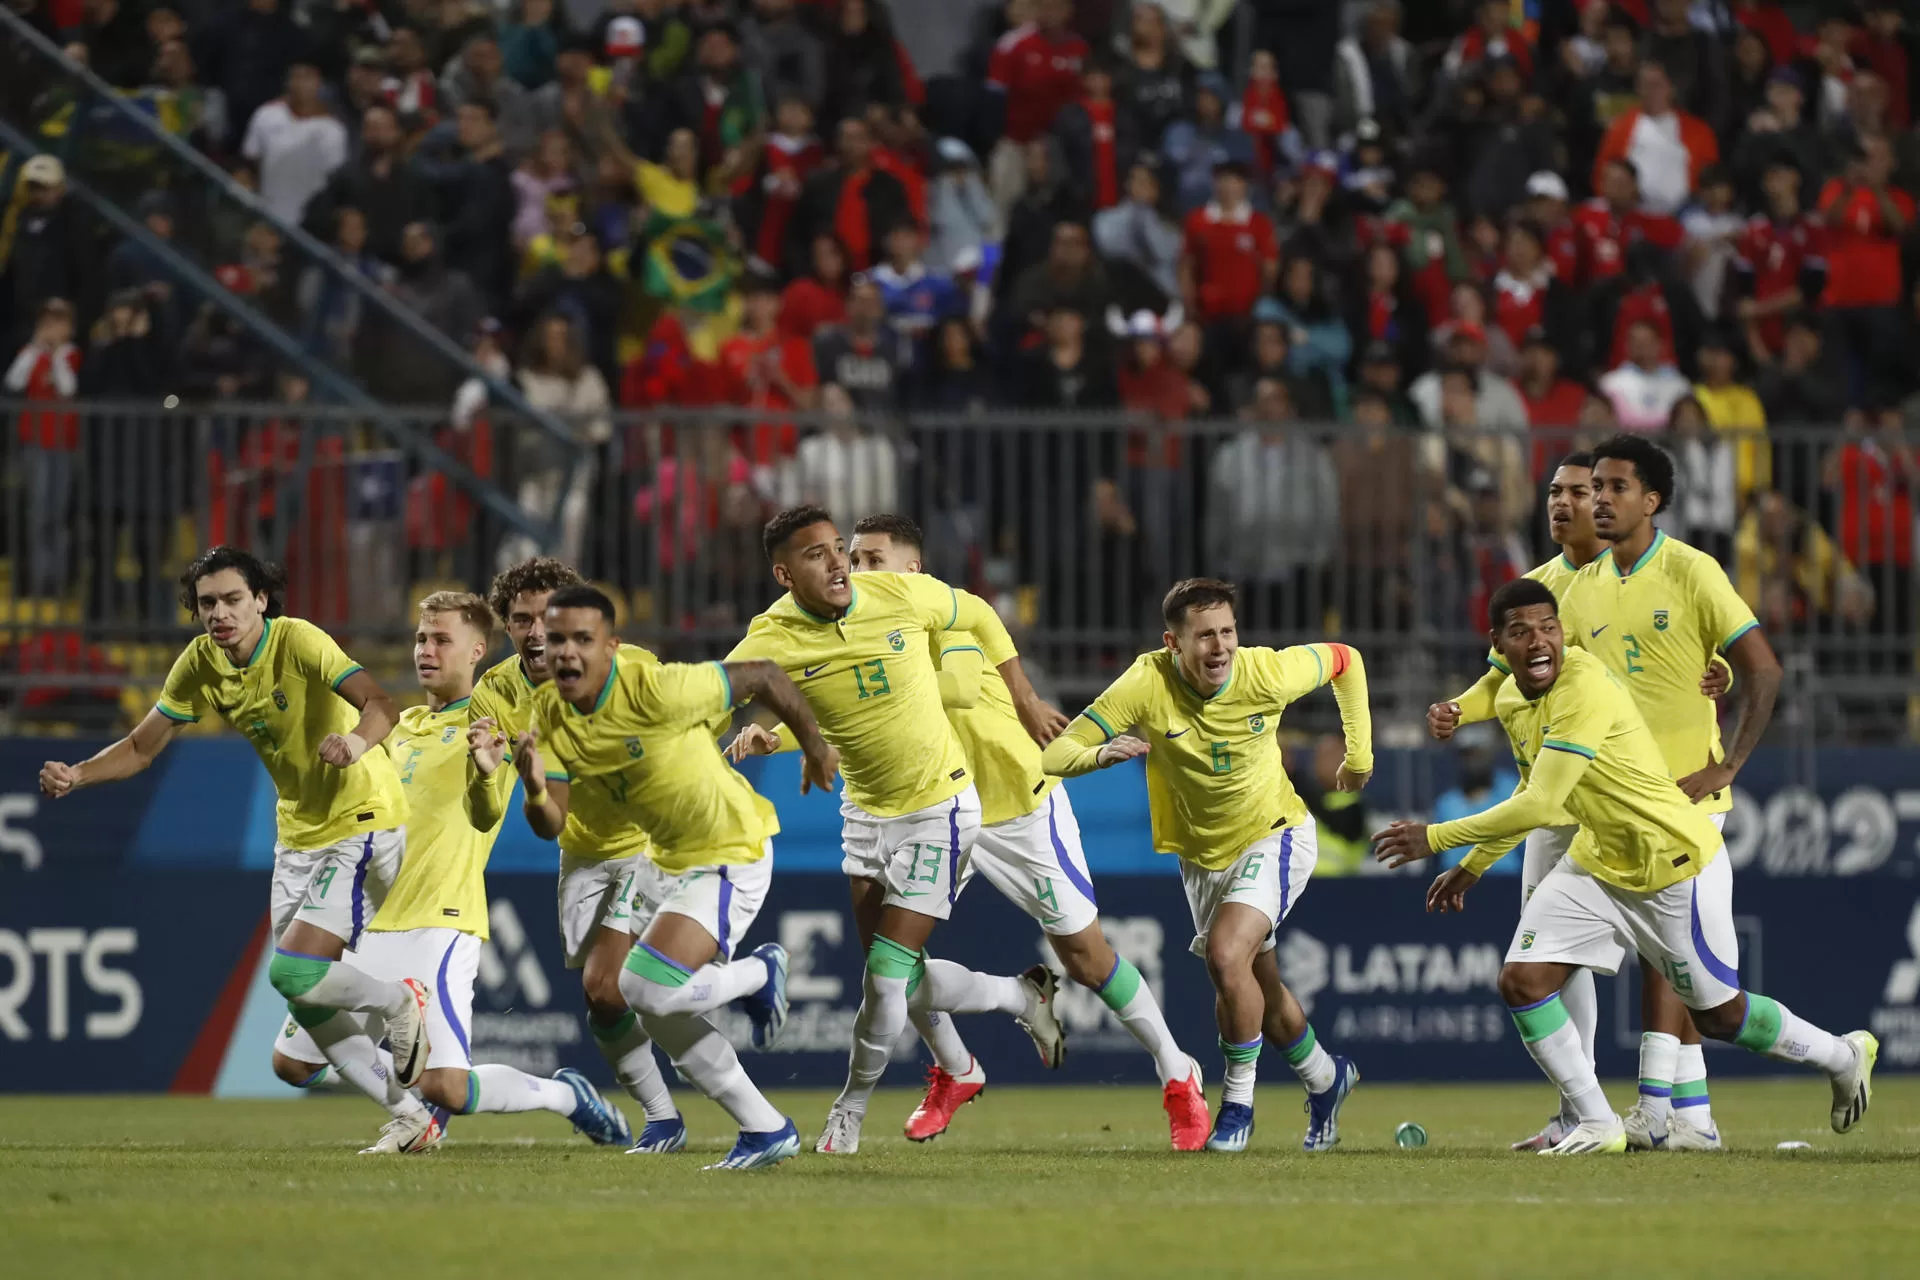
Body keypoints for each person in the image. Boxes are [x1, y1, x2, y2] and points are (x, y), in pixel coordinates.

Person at [1376, 577, 1874, 1156]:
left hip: (1671, 863)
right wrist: (1477, 864)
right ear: (1498, 646)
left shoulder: (1583, 684)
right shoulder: (1512, 700)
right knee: (1522, 980)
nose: (1538, 642)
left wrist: (1434, 839)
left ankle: (1843, 1055)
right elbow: (1538, 792)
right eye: (1520, 632)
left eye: (1548, 627)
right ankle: (1596, 1121)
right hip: (1599, 863)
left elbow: (1538, 804)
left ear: (1562, 633)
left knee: (1722, 1018)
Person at [1432, 434, 1782, 1153]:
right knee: (1552, 946)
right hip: (1572, 794)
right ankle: (1596, 1109)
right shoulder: (1550, 588)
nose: (1576, 503)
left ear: (1631, 500)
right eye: (1563, 493)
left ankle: (1678, 1109)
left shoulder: (1676, 570)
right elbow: (1501, 676)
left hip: (1666, 790)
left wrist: (1721, 718)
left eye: (1589, 490)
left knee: (1677, 958)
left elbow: (1722, 656)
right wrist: (1459, 709)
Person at [37, 548, 433, 1149]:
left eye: (231, 600)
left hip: (363, 820)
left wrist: (355, 744)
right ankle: (413, 1118)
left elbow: (382, 705)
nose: (219, 614)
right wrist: (79, 774)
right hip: (298, 836)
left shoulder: (298, 641)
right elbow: (144, 747)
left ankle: (399, 1002)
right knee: (305, 994)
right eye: (207, 604)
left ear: (261, 601)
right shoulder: (199, 662)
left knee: (295, 971)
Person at [839, 515, 1206, 1150]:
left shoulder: (944, 620)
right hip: (937, 809)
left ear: (912, 572)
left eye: (874, 560)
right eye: (853, 560)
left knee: (1087, 960)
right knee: (892, 960)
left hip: (1016, 809)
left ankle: (1180, 1073)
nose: (858, 573)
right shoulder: (858, 636)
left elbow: (952, 686)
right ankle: (957, 1068)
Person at [724, 506, 1068, 1155]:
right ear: (783, 574)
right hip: (864, 812)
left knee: (884, 976)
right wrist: (780, 735)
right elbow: (735, 687)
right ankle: (1015, 1003)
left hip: (940, 806)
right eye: (820, 554)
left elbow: (980, 615)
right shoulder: (773, 634)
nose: (839, 564)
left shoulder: (901, 595)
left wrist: (1023, 697)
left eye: (840, 550)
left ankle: (849, 1109)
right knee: (900, 981)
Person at [273, 591, 629, 1151]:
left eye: (442, 640)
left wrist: (489, 771)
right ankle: (413, 1114)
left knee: (448, 1086)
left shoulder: (495, 724)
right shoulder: (398, 727)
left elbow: (487, 812)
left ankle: (565, 1096)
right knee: (292, 1063)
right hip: (368, 920)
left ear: (478, 652)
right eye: (420, 639)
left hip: (438, 918)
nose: (426, 651)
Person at [508, 583, 835, 1170]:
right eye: (556, 639)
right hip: (663, 860)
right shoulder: (548, 713)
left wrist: (812, 747)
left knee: (646, 989)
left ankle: (759, 972)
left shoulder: (656, 689)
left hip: (728, 849)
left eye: (582, 639)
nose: (564, 652)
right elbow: (549, 821)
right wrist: (533, 786)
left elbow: (761, 674)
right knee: (635, 998)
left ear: (611, 646)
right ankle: (763, 1127)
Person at [1041, 579, 1371, 1153]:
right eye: (1204, 636)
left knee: (1224, 955)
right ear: (1173, 642)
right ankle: (1325, 1078)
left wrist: (1359, 756)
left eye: (1227, 632)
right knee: (1254, 985)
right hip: (1202, 861)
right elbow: (1055, 753)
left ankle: (1237, 1104)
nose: (1219, 647)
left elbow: (1347, 660)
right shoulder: (1146, 683)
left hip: (1276, 836)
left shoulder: (1264, 671)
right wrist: (1100, 753)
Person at [468, 558, 685, 1151]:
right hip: (582, 852)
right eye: (520, 620)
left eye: (546, 617)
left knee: (615, 981)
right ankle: (664, 1112)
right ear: (506, 629)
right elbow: (489, 809)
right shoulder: (494, 692)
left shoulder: (629, 667)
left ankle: (699, 1066)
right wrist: (488, 775)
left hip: (648, 843)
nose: (535, 631)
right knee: (601, 996)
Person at [241, 61, 349, 225]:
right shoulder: (267, 114)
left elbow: (334, 183)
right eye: (296, 77)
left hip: (309, 223)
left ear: (319, 84)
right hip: (265, 216)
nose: (301, 85)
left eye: (308, 78)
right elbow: (248, 165)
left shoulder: (333, 131)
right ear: (288, 83)